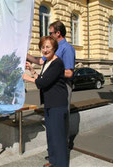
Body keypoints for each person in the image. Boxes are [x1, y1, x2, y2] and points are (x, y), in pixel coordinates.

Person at [27, 20, 75, 159]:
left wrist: (52, 74)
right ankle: (53, 154)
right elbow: (40, 61)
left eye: (51, 32)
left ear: (58, 33)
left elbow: (69, 72)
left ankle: (61, 151)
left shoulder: (66, 48)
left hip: (61, 86)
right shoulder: (52, 48)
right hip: (50, 87)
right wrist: (25, 54)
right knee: (52, 126)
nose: (49, 35)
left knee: (60, 123)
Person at [23, 36, 68, 167]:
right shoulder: (48, 62)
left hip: (57, 104)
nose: (45, 49)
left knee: (58, 136)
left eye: (48, 47)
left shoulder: (57, 63)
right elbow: (42, 80)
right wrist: (32, 71)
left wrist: (27, 78)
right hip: (49, 103)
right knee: (51, 134)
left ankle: (61, 164)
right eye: (43, 47)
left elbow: (43, 82)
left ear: (54, 48)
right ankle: (53, 160)